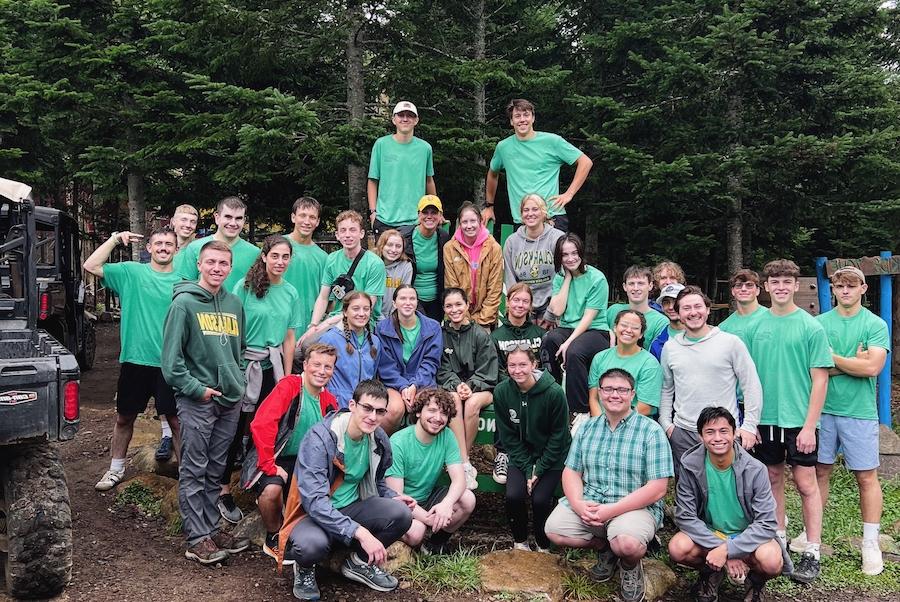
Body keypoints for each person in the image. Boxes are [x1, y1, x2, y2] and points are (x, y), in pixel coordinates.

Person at [545, 369, 673, 602]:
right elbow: (571, 471)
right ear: (600, 393)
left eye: (622, 390)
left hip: (634, 508)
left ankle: (629, 564)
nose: (615, 395)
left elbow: (658, 488)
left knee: (627, 544)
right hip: (593, 502)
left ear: (632, 394)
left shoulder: (651, 431)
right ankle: (605, 548)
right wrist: (578, 504)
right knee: (554, 530)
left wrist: (611, 511)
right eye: (608, 389)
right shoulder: (587, 428)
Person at [280, 380, 415, 600]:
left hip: (353, 506)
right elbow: (314, 502)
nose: (373, 417)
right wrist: (360, 532)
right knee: (311, 546)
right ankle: (304, 569)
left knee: (401, 514)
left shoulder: (378, 438)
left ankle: (359, 563)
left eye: (380, 411)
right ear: (352, 405)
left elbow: (378, 481)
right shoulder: (321, 439)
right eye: (367, 408)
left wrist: (393, 497)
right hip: (312, 515)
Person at [161, 240, 250, 565]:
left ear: (230, 267)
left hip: (229, 399)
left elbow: (238, 351)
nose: (216, 269)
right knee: (195, 468)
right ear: (199, 264)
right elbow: (171, 363)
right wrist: (195, 389)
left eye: (223, 264)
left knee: (215, 469)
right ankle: (196, 537)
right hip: (198, 400)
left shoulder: (234, 303)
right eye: (210, 262)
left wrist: (236, 382)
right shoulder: (183, 305)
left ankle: (211, 528)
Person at [744, 259, 833, 583]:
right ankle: (778, 541)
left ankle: (812, 550)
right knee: (771, 479)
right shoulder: (755, 327)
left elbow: (820, 380)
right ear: (766, 287)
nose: (781, 287)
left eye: (787, 282)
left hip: (799, 420)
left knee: (807, 483)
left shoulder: (811, 327)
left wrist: (810, 426)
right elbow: (747, 377)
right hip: (765, 419)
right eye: (775, 281)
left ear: (796, 286)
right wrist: (749, 423)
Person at [86, 228, 182, 491]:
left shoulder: (185, 281)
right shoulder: (131, 273)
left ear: (176, 249)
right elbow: (91, 265)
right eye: (158, 243)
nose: (163, 247)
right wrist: (115, 238)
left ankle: (188, 476)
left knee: (176, 421)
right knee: (124, 418)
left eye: (169, 244)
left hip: (172, 363)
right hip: (135, 360)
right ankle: (115, 469)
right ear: (148, 248)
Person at [808, 266, 889, 575]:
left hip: (860, 412)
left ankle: (871, 543)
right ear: (833, 289)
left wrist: (836, 360)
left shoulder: (874, 324)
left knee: (866, 476)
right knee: (819, 471)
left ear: (863, 289)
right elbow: (814, 367)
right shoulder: (819, 324)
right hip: (822, 409)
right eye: (839, 286)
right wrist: (855, 361)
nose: (845, 291)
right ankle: (813, 534)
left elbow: (873, 368)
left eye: (851, 286)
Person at [217, 235, 301, 524]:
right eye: (275, 256)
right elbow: (230, 328)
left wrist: (287, 378)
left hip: (273, 367)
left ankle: (258, 481)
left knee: (267, 429)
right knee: (234, 427)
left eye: (285, 257)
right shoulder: (244, 287)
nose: (280, 262)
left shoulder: (291, 292)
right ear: (264, 256)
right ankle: (222, 489)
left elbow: (290, 336)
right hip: (244, 366)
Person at [669, 407, 786, 602]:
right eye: (710, 432)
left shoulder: (755, 469)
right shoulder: (690, 465)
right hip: (710, 533)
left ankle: (755, 582)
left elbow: (766, 523)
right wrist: (723, 549)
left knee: (771, 561)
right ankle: (711, 573)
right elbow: (685, 516)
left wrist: (729, 550)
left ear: (734, 433)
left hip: (747, 535)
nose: (717, 438)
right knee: (678, 547)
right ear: (700, 437)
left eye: (724, 431)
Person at [242, 343, 339, 564]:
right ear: (305, 364)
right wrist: (268, 465)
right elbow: (262, 424)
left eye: (328, 367)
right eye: (316, 364)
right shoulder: (290, 386)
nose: (321, 371)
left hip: (306, 463)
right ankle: (273, 535)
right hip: (277, 456)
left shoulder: (330, 402)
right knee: (271, 490)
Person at [659, 286, 762, 477]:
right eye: (686, 308)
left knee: (729, 489)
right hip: (684, 433)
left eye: (697, 306)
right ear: (679, 313)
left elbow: (751, 384)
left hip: (723, 433)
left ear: (707, 309)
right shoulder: (670, 348)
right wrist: (666, 424)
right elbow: (666, 388)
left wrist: (749, 426)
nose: (693, 312)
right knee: (689, 492)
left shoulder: (730, 343)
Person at [494, 346, 570, 552]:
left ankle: (543, 544)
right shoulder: (502, 392)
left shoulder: (554, 393)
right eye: (512, 365)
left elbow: (559, 435)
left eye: (522, 365)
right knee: (514, 496)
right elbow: (508, 436)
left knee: (540, 499)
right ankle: (520, 542)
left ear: (534, 365)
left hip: (552, 456)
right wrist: (529, 469)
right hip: (521, 455)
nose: (517, 370)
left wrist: (540, 468)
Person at [386, 388, 476, 554]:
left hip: (427, 497)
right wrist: (430, 519)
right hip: (401, 505)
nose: (437, 418)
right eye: (432, 410)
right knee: (416, 532)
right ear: (419, 412)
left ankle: (435, 544)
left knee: (468, 499)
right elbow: (396, 496)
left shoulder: (447, 436)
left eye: (444, 413)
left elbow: (459, 479)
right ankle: (405, 540)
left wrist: (446, 504)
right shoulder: (398, 442)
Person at [484, 98, 593, 233]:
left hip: (552, 217)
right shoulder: (503, 148)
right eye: (517, 116)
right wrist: (489, 206)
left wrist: (569, 194)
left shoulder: (552, 141)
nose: (522, 119)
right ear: (511, 121)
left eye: (526, 115)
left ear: (533, 118)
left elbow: (585, 162)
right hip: (522, 220)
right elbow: (492, 173)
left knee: (555, 255)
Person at [540, 233, 610, 417]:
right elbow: (557, 310)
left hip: (595, 330)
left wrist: (569, 341)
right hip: (567, 327)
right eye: (565, 255)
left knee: (574, 351)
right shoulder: (560, 277)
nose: (570, 258)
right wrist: (568, 278)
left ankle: (579, 411)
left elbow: (588, 318)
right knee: (549, 340)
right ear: (559, 257)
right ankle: (551, 396)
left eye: (574, 253)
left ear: (581, 253)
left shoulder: (597, 278)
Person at [438, 287, 499, 489]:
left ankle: (460, 459)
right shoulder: (441, 335)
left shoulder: (480, 334)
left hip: (480, 389)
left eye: (458, 304)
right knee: (453, 400)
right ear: (444, 309)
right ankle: (465, 463)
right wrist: (457, 385)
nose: (454, 309)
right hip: (453, 388)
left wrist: (471, 386)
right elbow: (442, 368)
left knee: (472, 403)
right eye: (449, 305)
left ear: (467, 305)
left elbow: (489, 369)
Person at [490, 282, 547, 484]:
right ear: (508, 303)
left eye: (525, 301)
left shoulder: (539, 335)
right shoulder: (496, 336)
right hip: (509, 389)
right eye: (516, 300)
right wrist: (516, 384)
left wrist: (533, 384)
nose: (520, 305)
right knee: (503, 396)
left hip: (537, 389)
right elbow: (495, 369)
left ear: (531, 306)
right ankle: (503, 454)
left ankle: (540, 455)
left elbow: (547, 367)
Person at [156, 205, 199, 461]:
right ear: (173, 220)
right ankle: (165, 434)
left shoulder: (197, 249)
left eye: (193, 220)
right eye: (184, 219)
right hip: (161, 319)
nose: (188, 224)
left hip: (188, 318)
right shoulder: (163, 246)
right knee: (161, 381)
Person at [376, 284, 443, 433]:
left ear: (417, 302)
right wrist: (403, 387)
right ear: (394, 303)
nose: (408, 302)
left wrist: (414, 385)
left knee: (423, 408)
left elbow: (431, 362)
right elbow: (386, 365)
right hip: (393, 382)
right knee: (394, 410)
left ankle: (423, 452)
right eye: (403, 298)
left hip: (422, 381)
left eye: (412, 298)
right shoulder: (382, 328)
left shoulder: (433, 327)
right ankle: (384, 449)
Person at [308, 210, 386, 334]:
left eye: (352, 230)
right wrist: (313, 325)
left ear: (361, 234)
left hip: (362, 320)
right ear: (337, 235)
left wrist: (327, 323)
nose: (347, 235)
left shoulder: (375, 264)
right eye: (343, 230)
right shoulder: (332, 259)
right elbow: (323, 297)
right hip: (336, 318)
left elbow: (366, 306)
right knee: (305, 345)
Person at [367, 100, 436, 238]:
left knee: (411, 260)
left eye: (410, 115)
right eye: (401, 115)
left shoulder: (425, 148)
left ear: (416, 120)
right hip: (384, 219)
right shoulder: (381, 145)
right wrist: (373, 213)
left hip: (415, 221)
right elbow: (373, 180)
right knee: (383, 259)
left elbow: (429, 181)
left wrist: (436, 210)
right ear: (394, 119)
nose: (405, 119)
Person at [587, 309, 662, 418]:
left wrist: (615, 422)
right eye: (624, 325)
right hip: (601, 422)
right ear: (615, 327)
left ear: (641, 334)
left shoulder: (649, 364)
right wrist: (601, 424)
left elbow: (646, 406)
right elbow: (593, 398)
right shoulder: (600, 358)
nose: (628, 330)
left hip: (634, 425)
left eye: (635, 328)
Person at [175, 196, 260, 291]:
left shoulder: (255, 253)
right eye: (228, 217)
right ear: (217, 217)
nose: (233, 223)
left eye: (238, 218)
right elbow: (185, 289)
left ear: (244, 220)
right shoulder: (195, 248)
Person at [502, 194, 564, 321]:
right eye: (526, 210)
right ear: (521, 214)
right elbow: (510, 279)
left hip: (551, 304)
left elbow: (563, 276)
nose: (530, 213)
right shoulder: (512, 242)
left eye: (535, 209)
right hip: (522, 305)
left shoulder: (557, 238)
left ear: (544, 212)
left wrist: (551, 312)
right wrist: (520, 306)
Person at [317, 291, 383, 409]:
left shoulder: (375, 342)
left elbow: (374, 376)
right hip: (336, 406)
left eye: (366, 309)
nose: (362, 314)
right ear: (345, 312)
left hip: (363, 407)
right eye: (356, 309)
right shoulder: (330, 339)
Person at [444, 202, 504, 329]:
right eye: (465, 222)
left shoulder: (494, 248)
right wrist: (464, 319)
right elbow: (451, 286)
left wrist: (482, 320)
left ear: (481, 221)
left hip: (485, 320)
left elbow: (495, 288)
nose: (469, 226)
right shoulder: (449, 248)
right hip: (458, 317)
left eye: (473, 221)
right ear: (459, 223)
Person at [284, 196, 328, 336]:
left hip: (310, 328)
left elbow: (326, 297)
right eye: (302, 216)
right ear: (293, 217)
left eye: (312, 217)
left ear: (317, 222)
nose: (307, 221)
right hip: (281, 324)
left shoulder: (323, 258)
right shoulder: (278, 247)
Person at [403, 195, 451, 321]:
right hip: (411, 300)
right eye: (425, 212)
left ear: (440, 215)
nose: (429, 216)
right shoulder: (405, 237)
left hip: (436, 300)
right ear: (419, 214)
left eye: (434, 212)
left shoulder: (445, 238)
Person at [606, 265, 669, 350]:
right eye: (631, 283)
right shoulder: (613, 311)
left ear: (650, 286)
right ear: (625, 286)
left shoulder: (660, 321)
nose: (636, 288)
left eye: (640, 283)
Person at [718, 269, 769, 345]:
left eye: (749, 285)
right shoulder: (724, 327)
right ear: (733, 291)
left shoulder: (771, 318)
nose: (743, 289)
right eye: (739, 285)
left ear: (758, 290)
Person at [374, 229, 413, 320]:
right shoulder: (372, 263)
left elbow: (404, 294)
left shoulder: (406, 266)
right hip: (372, 316)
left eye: (398, 246)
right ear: (382, 246)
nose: (393, 250)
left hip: (395, 317)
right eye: (390, 245)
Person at [649, 282, 686, 360]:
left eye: (675, 301)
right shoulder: (657, 343)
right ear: (661, 307)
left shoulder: (702, 335)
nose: (671, 307)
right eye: (666, 302)